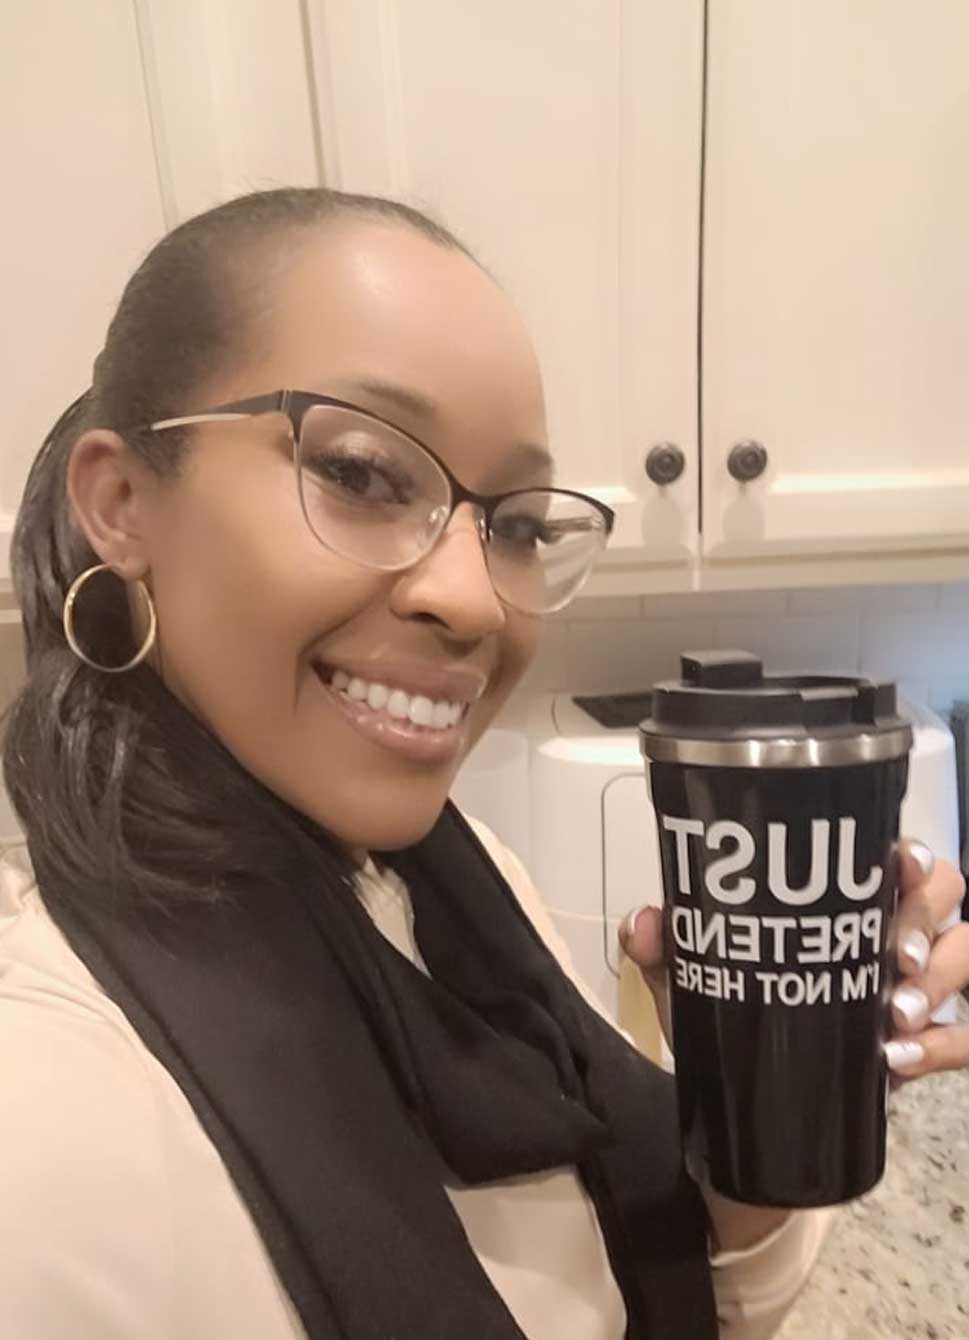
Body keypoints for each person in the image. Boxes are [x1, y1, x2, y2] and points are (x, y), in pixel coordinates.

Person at [0, 187, 966, 1340]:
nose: (474, 599)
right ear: (122, 503)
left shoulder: (460, 883)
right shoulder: (49, 1124)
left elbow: (639, 1302)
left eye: (515, 524)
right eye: (363, 474)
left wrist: (754, 1107)